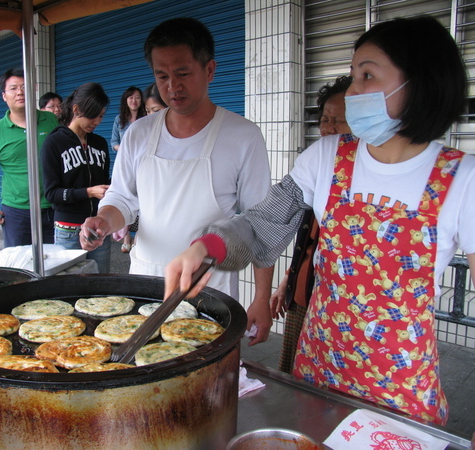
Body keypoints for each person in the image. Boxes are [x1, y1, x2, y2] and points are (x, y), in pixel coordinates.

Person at [164, 16, 475, 425]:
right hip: (319, 368)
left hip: (400, 386)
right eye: (352, 75)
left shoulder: (461, 180)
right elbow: (262, 224)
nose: (353, 92)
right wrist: (209, 247)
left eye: (368, 76)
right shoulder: (327, 157)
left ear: (419, 83)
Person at [81, 17, 275, 345]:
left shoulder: (243, 136)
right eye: (162, 75)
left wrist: (261, 298)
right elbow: (123, 198)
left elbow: (262, 224)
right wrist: (103, 219)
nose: (172, 86)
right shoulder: (139, 134)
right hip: (145, 283)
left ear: (209, 70)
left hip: (209, 286)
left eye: (183, 73)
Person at [272, 75, 353, 373]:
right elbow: (282, 227)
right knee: (294, 373)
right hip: (303, 295)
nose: (329, 129)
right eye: (325, 119)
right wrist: (285, 285)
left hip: (341, 315)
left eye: (339, 121)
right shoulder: (317, 165)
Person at [0, 68, 59, 247]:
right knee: (20, 267)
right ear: (4, 96)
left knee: (57, 264)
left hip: (54, 208)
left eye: (25, 86)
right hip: (17, 213)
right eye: (13, 88)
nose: (20, 92)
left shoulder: (50, 120)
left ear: (34, 89)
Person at [41, 82, 111, 273]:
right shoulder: (54, 142)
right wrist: (88, 192)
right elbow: (51, 193)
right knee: (70, 287)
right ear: (76, 109)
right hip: (68, 230)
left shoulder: (100, 143)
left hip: (99, 228)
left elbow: (106, 182)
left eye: (101, 116)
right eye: (92, 115)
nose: (96, 121)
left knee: (102, 286)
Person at [110, 86, 147, 253]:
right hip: (125, 165)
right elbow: (113, 143)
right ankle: (126, 238)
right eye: (131, 97)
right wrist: (125, 149)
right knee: (126, 197)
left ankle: (139, 236)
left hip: (142, 165)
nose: (134, 100)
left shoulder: (146, 118)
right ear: (126, 100)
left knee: (143, 201)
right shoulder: (120, 119)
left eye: (137, 97)